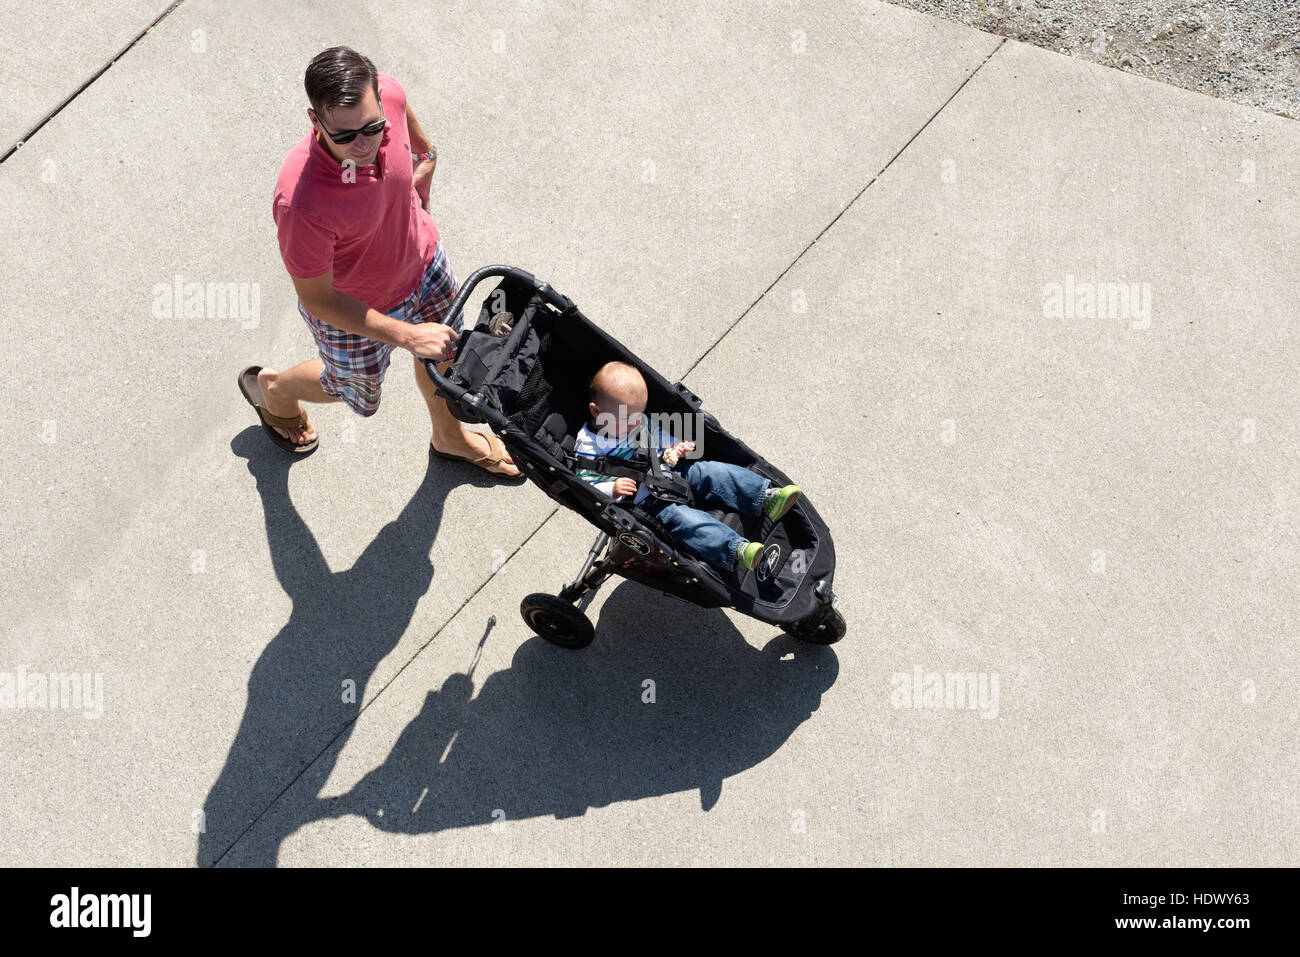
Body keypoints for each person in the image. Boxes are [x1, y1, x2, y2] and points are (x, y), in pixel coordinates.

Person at [237, 46, 519, 477]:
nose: (365, 145)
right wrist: (406, 335)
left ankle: (448, 437)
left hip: (424, 263)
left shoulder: (387, 94)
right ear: (315, 121)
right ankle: (274, 388)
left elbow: (416, 140)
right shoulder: (301, 202)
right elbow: (318, 299)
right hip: (356, 308)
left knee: (446, 356)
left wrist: (427, 159)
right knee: (353, 395)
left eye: (373, 128)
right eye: (346, 136)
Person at [573, 361, 802, 573]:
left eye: (639, 416)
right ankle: (736, 549)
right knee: (686, 522)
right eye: (628, 419)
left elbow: (656, 433)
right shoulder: (589, 446)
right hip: (648, 503)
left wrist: (674, 445)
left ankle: (764, 496)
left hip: (665, 470)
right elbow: (584, 481)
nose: (636, 423)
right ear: (596, 412)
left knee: (709, 471)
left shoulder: (633, 418)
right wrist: (611, 489)